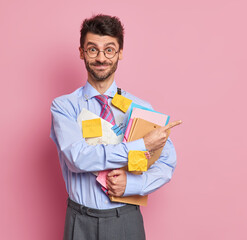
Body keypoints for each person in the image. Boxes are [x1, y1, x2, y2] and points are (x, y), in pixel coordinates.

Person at [50, 14, 181, 240]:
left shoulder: (141, 108)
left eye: (109, 50)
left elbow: (167, 162)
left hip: (126, 219)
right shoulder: (64, 107)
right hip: (79, 221)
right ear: (81, 52)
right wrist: (140, 146)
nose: (101, 57)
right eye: (93, 49)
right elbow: (77, 158)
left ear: (120, 52)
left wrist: (132, 184)